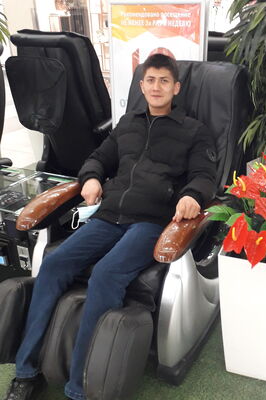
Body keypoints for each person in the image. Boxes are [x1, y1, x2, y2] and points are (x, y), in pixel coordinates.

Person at [4, 53, 216, 400]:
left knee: (106, 274)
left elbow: (205, 176)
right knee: (54, 264)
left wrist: (192, 195)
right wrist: (90, 177)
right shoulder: (128, 124)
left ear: (176, 88)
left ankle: (79, 387)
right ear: (142, 85)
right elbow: (99, 158)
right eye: (150, 80)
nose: (156, 87)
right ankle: (27, 373)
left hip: (150, 222)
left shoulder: (193, 131)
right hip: (109, 216)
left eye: (164, 81)